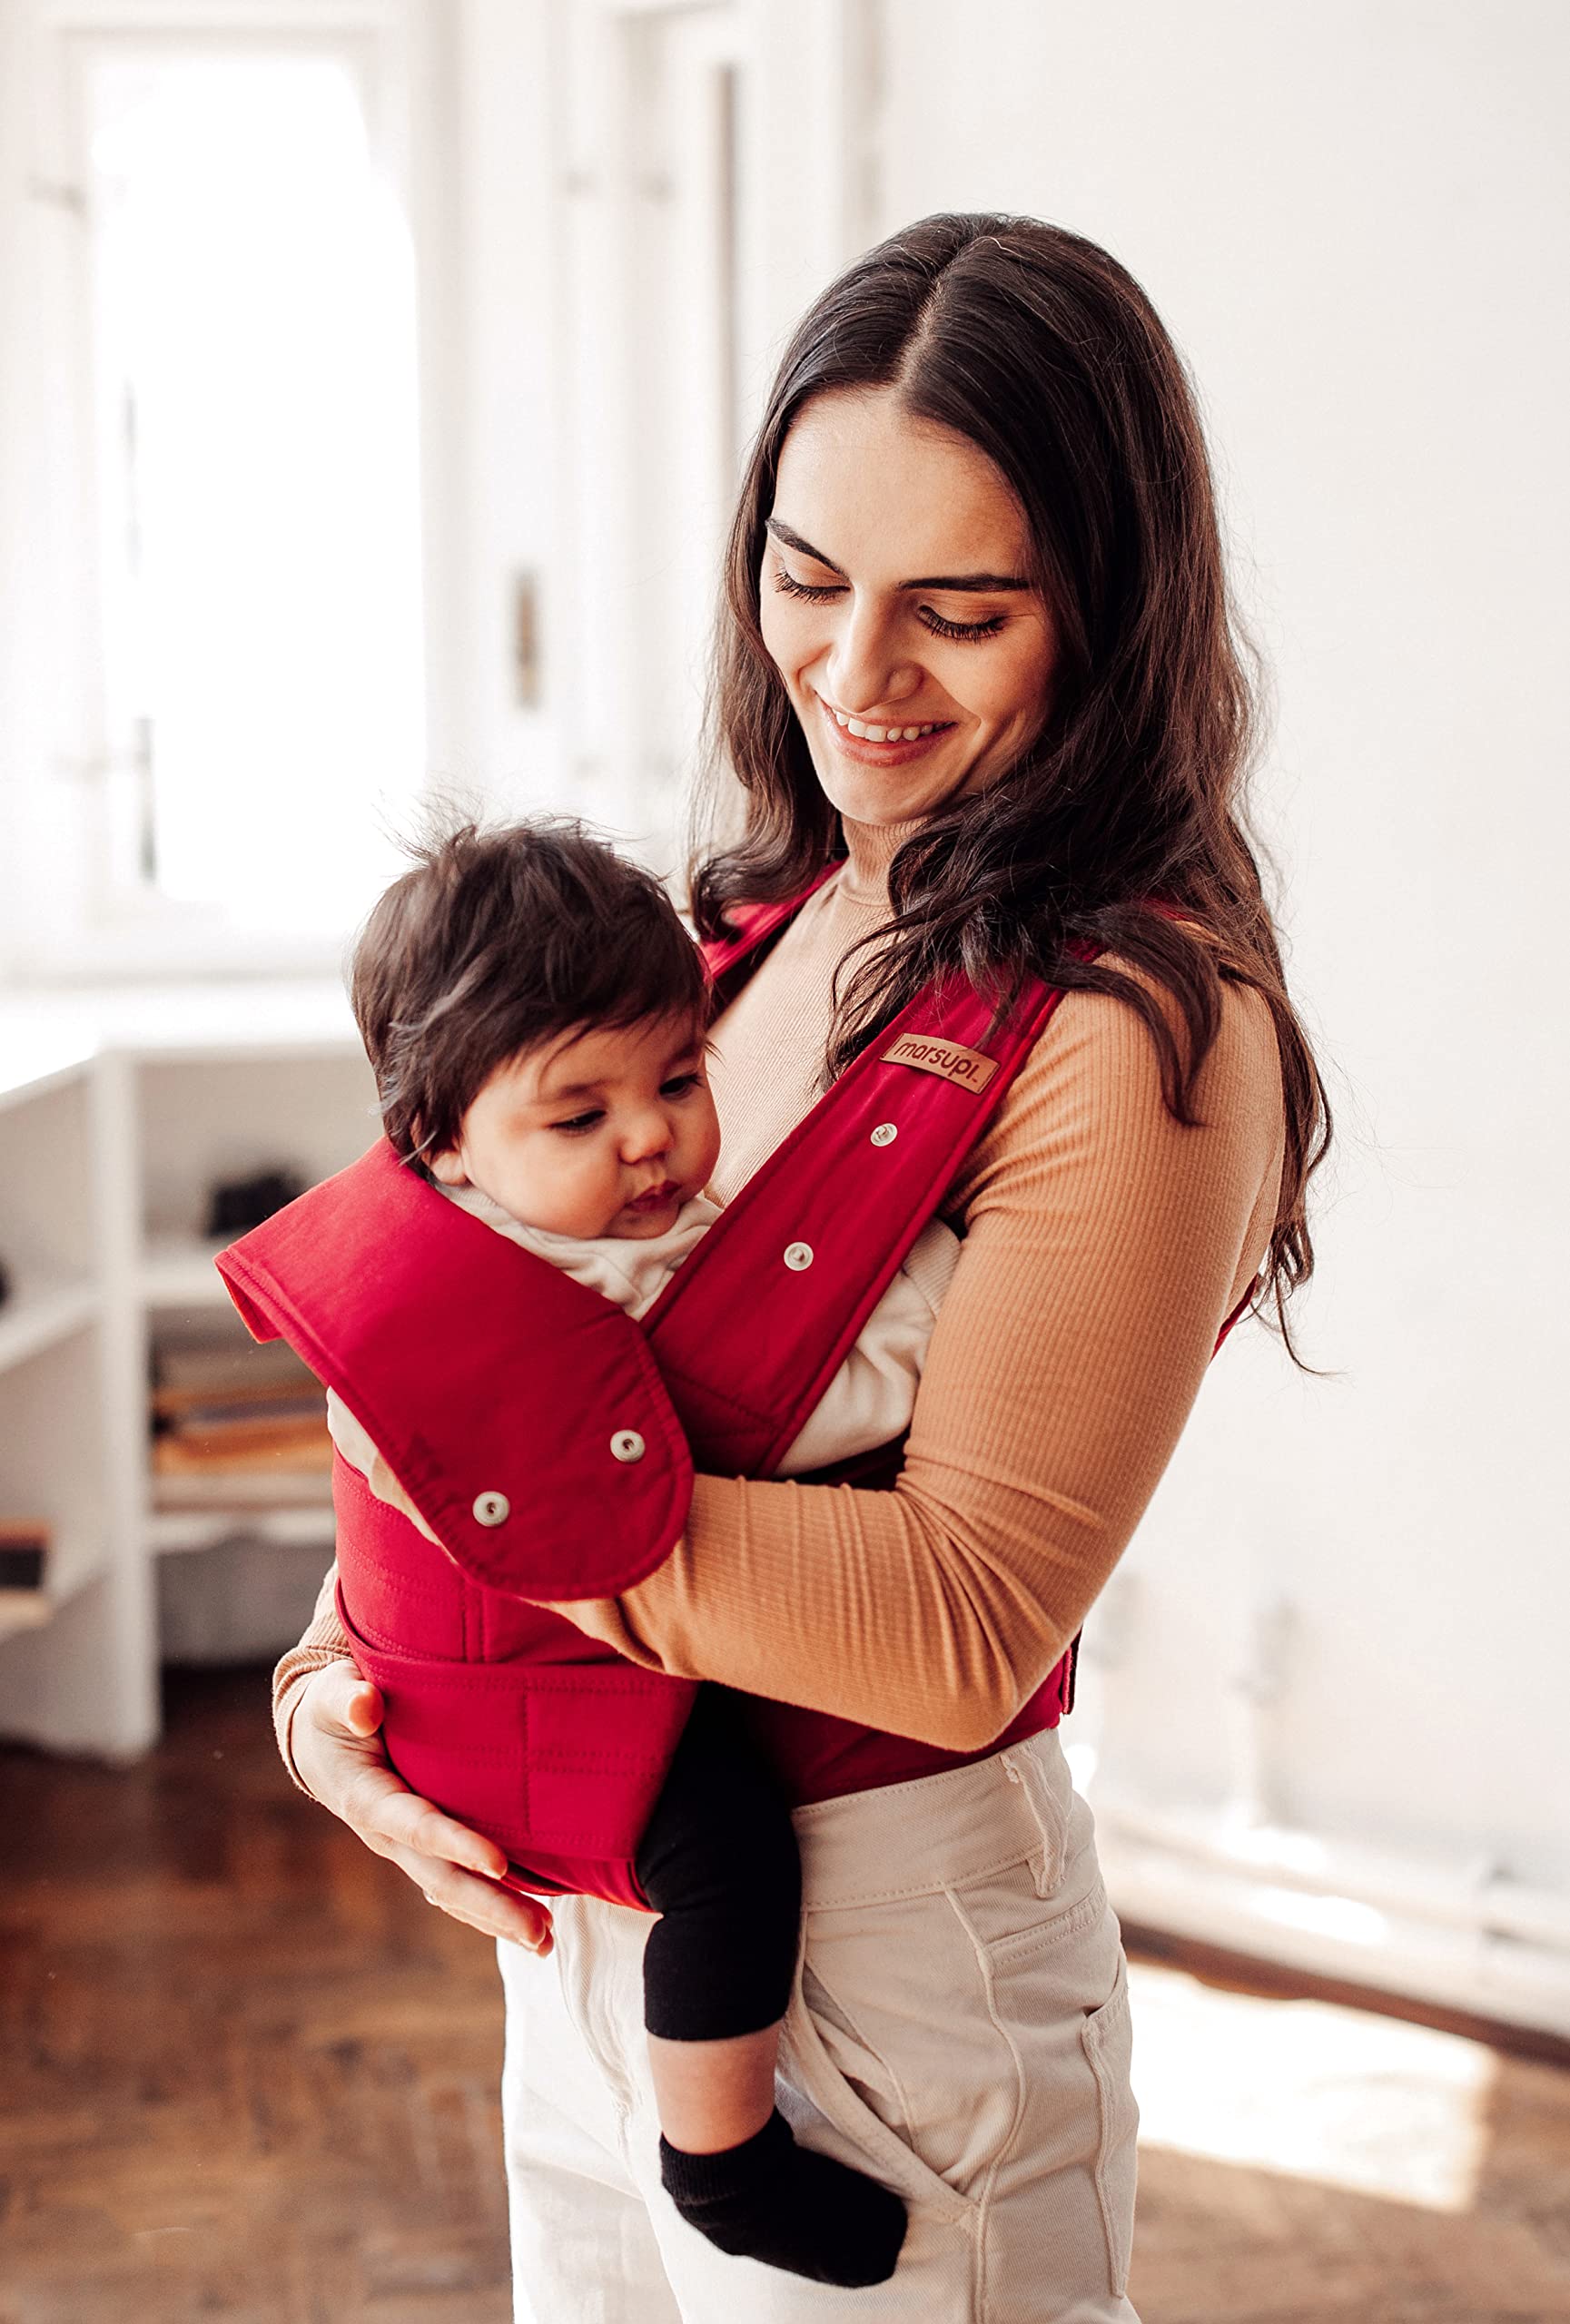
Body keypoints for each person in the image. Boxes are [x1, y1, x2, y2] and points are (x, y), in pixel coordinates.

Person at [272, 212, 1329, 2320]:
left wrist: (489, 1529)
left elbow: (954, 1619)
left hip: (880, 1966)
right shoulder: (729, 929)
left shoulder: (1135, 1033)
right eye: (807, 582)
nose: (855, 676)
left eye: (958, 610)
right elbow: (528, 1341)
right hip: (598, 1928)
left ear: (1106, 616)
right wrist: (336, 1688)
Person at [259, 814, 965, 2284]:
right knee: (727, 1855)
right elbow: (782, 1409)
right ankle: (720, 2160)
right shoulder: (555, 1284)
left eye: (680, 1079)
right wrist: (944, 1288)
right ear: (441, 1140)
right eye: (577, 1119)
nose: (649, 1138)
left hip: (463, 1684)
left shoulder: (500, 1225)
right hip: (516, 1707)